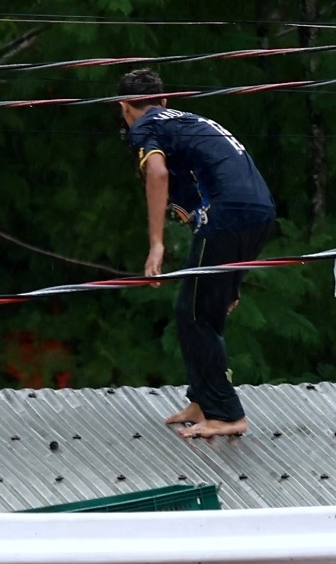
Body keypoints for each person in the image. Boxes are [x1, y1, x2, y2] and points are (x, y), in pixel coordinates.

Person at [116, 68, 277, 440]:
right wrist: (231, 284)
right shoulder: (188, 121)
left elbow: (157, 175)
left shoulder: (146, 127)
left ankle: (226, 414)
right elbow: (194, 191)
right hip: (260, 211)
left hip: (227, 215)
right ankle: (203, 400)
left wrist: (156, 244)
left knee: (190, 314)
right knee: (206, 309)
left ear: (124, 107)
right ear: (165, 99)